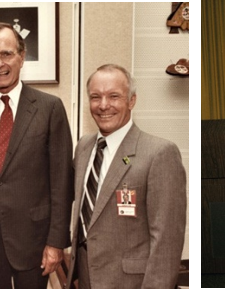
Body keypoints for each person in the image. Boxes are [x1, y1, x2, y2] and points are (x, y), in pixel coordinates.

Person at [0, 22, 73, 288]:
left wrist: (56, 242)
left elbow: (61, 182)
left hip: (34, 241)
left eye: (7, 54)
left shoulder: (50, 108)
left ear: (22, 56)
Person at [66, 64, 186, 288]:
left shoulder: (159, 153)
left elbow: (166, 241)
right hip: (84, 278)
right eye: (95, 97)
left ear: (131, 101)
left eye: (114, 96)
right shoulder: (83, 147)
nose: (103, 105)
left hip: (130, 283)